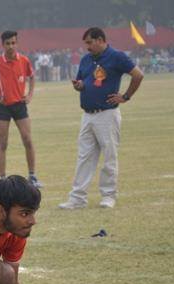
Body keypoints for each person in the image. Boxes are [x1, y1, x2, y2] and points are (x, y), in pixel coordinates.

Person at [59, 27, 143, 209]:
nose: (87, 47)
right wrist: (79, 85)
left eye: (90, 43)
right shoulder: (86, 59)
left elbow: (138, 75)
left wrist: (125, 96)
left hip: (107, 114)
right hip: (87, 115)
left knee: (109, 156)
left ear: (100, 40)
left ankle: (108, 196)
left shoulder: (117, 56)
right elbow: (84, 82)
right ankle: (77, 198)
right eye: (86, 44)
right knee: (84, 157)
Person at [0, 30, 41, 188]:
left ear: (17, 43)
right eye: (8, 43)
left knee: (27, 139)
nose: (11, 46)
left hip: (19, 105)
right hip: (3, 107)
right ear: (3, 45)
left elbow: (32, 76)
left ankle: (32, 176)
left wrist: (30, 94)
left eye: (13, 43)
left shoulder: (24, 60)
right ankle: (2, 178)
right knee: (3, 143)